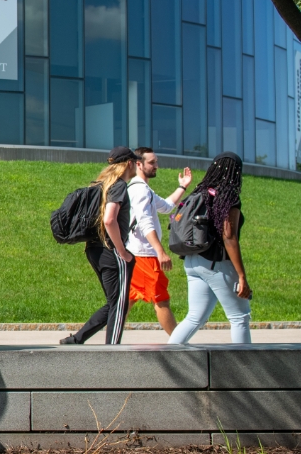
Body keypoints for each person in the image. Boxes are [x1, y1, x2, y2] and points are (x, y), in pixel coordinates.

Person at [168, 153, 252, 344]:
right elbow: (229, 236)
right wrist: (241, 276)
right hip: (216, 263)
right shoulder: (228, 196)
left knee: (194, 317)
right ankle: (247, 370)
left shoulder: (200, 192)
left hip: (192, 261)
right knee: (240, 317)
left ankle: (169, 357)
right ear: (236, 172)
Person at [60, 147, 138, 345]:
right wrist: (122, 251)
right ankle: (112, 351)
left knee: (113, 303)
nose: (137, 165)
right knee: (120, 304)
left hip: (93, 250)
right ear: (129, 163)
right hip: (110, 251)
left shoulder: (100, 185)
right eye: (135, 162)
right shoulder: (118, 186)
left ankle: (77, 339)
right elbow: (109, 220)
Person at [126, 148, 192, 335]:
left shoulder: (142, 188)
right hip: (145, 255)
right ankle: (179, 344)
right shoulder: (140, 190)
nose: (157, 166)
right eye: (152, 162)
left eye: (156, 162)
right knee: (161, 301)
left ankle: (110, 340)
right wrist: (160, 252)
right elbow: (146, 223)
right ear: (138, 164)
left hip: (138, 253)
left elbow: (166, 207)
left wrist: (183, 186)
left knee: (128, 300)